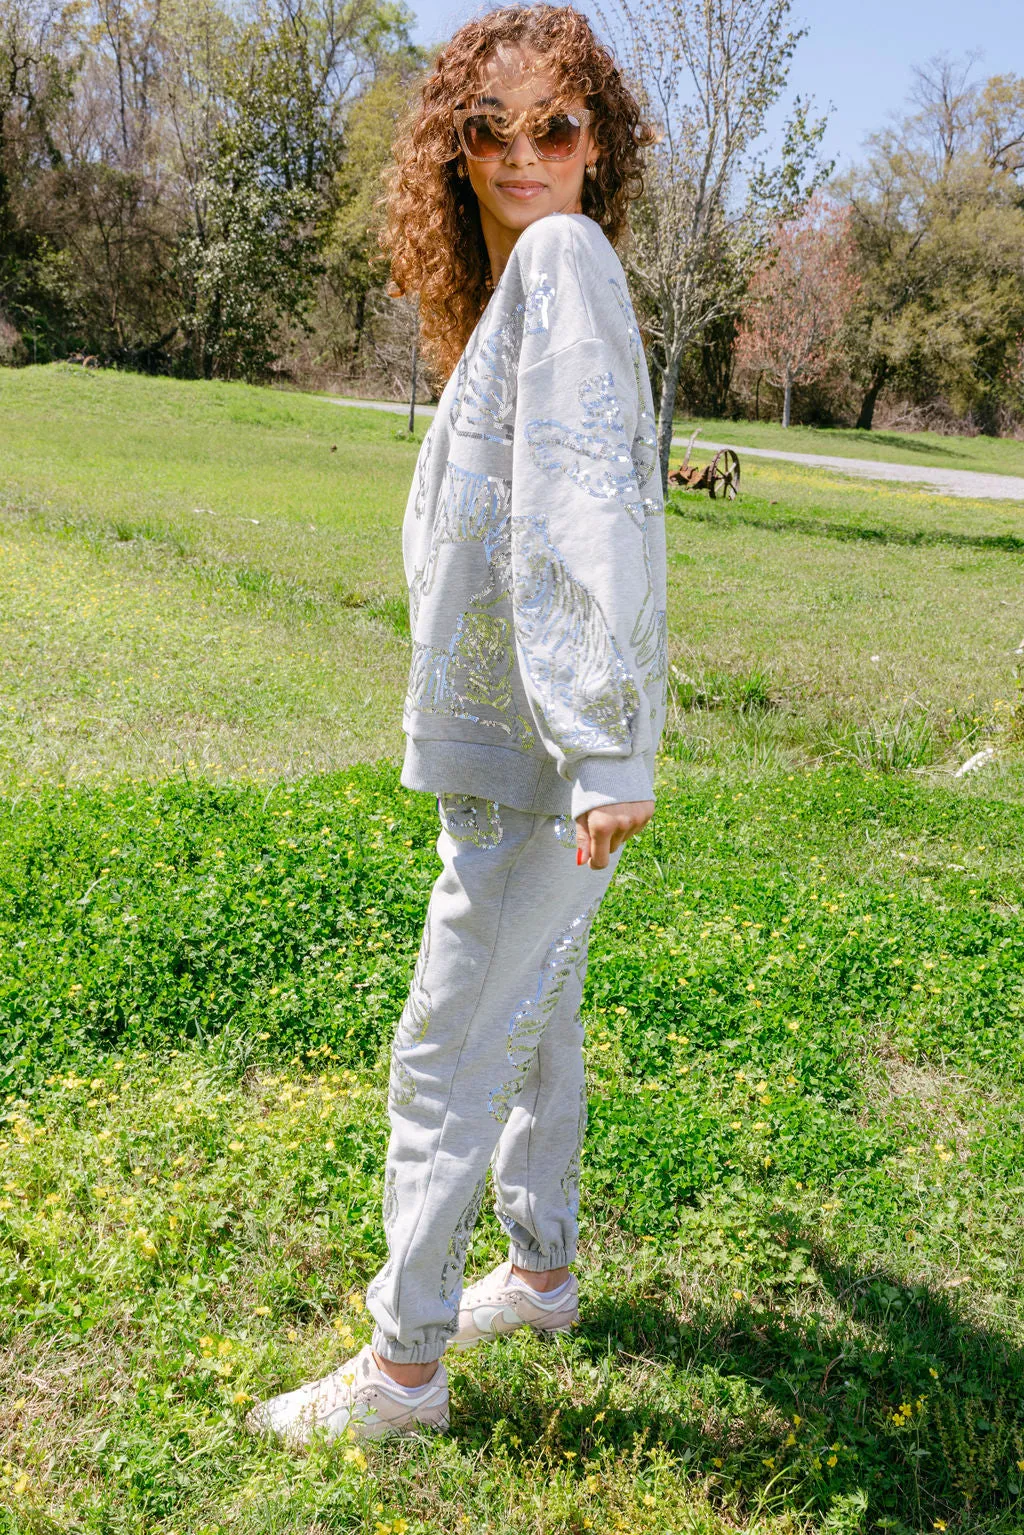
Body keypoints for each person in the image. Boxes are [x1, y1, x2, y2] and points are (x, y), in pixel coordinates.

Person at [246, 2, 667, 1447]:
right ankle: (540, 1270)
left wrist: (607, 741)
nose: (525, 156)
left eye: (558, 125)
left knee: (445, 1048)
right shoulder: (519, 301)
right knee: (535, 1009)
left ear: (598, 142)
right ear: (455, 149)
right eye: (492, 130)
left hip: (545, 753)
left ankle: (404, 1369)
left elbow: (588, 514)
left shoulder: (559, 259)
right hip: (527, 745)